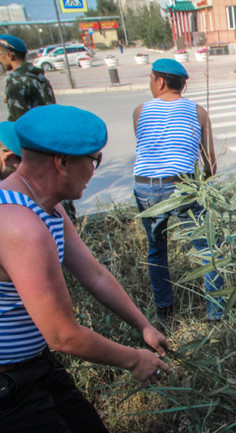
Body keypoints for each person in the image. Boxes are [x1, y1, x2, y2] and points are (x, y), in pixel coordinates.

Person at [0, 104, 170, 432]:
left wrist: (143, 325)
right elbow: (63, 336)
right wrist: (134, 360)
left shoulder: (44, 206)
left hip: (35, 366)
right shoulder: (21, 226)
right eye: (93, 160)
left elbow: (94, 274)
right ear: (61, 163)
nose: (95, 170)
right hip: (8, 385)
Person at [133, 59, 223, 320]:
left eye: (150, 79)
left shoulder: (140, 112)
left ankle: (164, 309)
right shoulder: (199, 112)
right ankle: (216, 313)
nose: (150, 84)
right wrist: (202, 186)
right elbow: (211, 163)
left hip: (145, 187)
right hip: (182, 185)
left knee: (156, 248)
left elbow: (147, 152)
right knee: (208, 248)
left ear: (160, 82)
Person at [0, 35, 55, 122]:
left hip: (33, 134)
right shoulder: (39, 77)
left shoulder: (16, 83)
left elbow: (18, 124)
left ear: (10, 55)